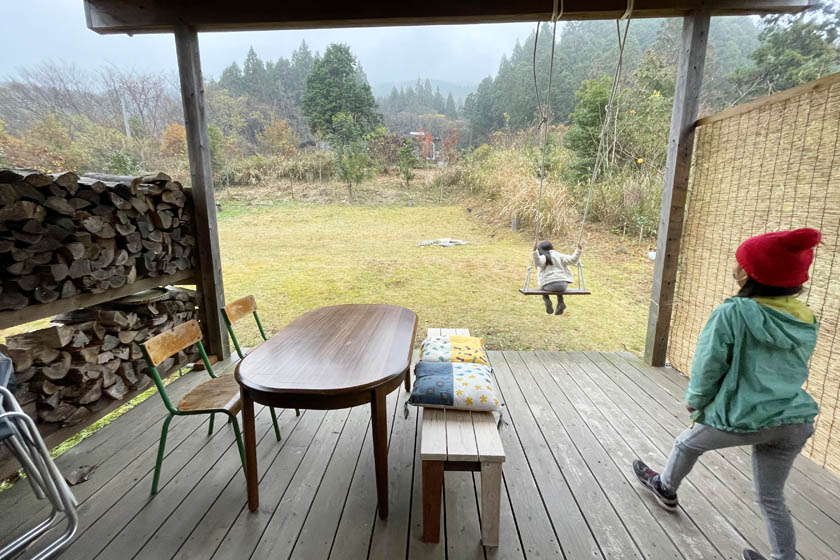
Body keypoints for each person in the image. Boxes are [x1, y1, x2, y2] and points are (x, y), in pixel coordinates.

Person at [632, 228, 822, 560]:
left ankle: (665, 487)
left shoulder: (732, 313)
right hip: (795, 420)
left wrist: (697, 400)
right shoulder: (805, 318)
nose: (735, 266)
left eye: (740, 262)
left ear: (751, 274)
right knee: (772, 497)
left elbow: (708, 364)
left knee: (685, 444)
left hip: (744, 416)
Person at [532, 240, 582, 315]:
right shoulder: (560, 255)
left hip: (549, 285)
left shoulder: (544, 257)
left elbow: (537, 262)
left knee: (542, 287)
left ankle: (547, 301)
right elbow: (573, 260)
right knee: (557, 282)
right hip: (563, 285)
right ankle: (561, 302)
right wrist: (579, 250)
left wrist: (534, 251)